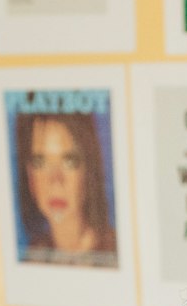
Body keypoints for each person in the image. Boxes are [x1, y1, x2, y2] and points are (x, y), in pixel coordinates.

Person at [14, 110, 117, 266]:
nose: (55, 181)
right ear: (29, 175)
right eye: (40, 162)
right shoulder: (32, 257)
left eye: (69, 161)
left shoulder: (115, 253)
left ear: (88, 169)